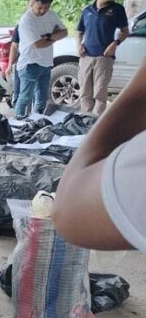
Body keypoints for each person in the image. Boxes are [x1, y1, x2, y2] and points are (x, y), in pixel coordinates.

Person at [53, 58, 146, 252]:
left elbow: (70, 212)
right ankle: (88, 113)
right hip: (89, 57)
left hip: (103, 57)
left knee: (98, 94)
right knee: (89, 94)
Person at [76, 0, 130, 116]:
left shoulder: (117, 9)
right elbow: (79, 31)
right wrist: (79, 45)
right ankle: (85, 121)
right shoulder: (87, 10)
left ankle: (95, 123)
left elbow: (125, 31)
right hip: (86, 56)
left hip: (104, 57)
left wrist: (115, 43)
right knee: (84, 93)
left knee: (99, 94)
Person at [14, 0, 68, 117]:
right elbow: (38, 44)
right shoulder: (27, 20)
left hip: (46, 63)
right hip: (29, 63)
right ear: (33, 3)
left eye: (46, 7)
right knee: (25, 97)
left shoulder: (52, 15)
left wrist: (48, 37)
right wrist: (54, 36)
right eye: (40, 7)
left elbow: (65, 32)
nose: (42, 11)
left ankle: (37, 121)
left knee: (43, 99)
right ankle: (17, 122)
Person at [8, 25, 21, 107]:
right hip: (21, 63)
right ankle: (18, 116)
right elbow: (14, 47)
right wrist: (9, 65)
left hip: (40, 63)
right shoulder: (20, 26)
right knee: (18, 93)